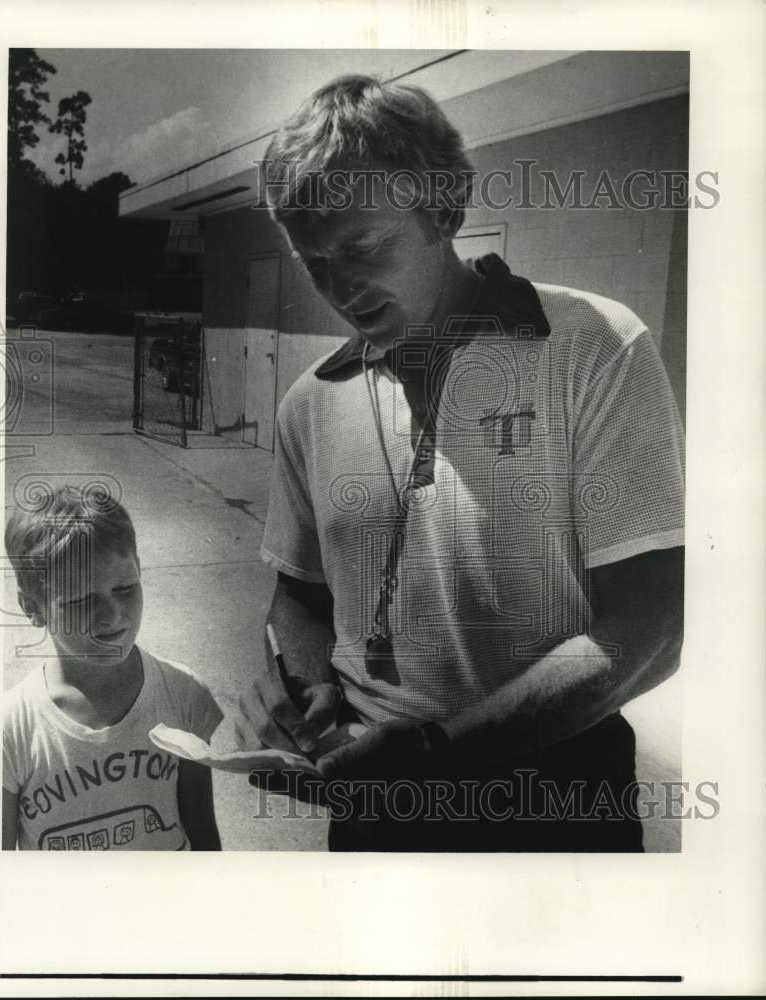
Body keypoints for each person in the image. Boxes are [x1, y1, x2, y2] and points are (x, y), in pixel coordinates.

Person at [239, 74, 685, 851]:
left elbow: (651, 627)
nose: (340, 288)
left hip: (555, 799)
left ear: (443, 206)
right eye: (314, 263)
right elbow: (299, 596)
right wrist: (302, 683)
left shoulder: (593, 346)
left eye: (363, 247)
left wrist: (435, 754)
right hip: (376, 806)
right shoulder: (308, 402)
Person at [2, 485, 223, 851]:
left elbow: (202, 834)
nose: (112, 615)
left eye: (125, 589)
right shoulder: (9, 729)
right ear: (32, 608)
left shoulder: (184, 695)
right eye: (81, 600)